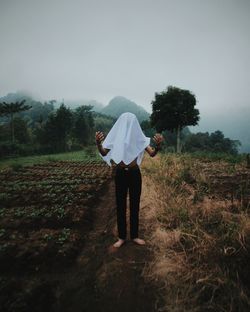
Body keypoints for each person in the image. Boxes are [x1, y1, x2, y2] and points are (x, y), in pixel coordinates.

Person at [95, 112, 163, 248]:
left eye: (130, 123)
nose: (128, 126)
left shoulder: (139, 139)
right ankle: (121, 237)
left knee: (134, 204)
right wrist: (98, 143)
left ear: (134, 124)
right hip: (120, 173)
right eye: (125, 123)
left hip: (134, 173)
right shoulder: (115, 137)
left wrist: (158, 146)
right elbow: (104, 152)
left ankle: (134, 236)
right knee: (120, 205)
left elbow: (152, 153)